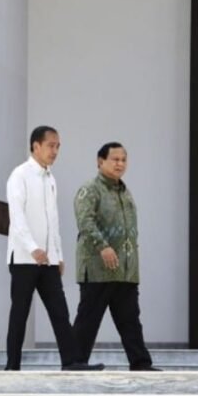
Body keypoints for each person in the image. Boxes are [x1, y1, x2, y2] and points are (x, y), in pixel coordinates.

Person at [5, 126, 104, 371]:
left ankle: (71, 361)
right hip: (24, 260)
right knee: (20, 313)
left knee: (60, 312)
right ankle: (12, 366)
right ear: (35, 146)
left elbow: (53, 221)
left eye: (58, 146)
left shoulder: (50, 178)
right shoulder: (20, 175)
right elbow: (17, 218)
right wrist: (33, 248)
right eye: (51, 145)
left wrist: (57, 255)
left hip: (48, 261)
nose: (55, 150)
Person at [72, 142, 159, 371]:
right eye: (115, 159)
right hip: (98, 268)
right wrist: (103, 246)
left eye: (123, 159)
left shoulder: (125, 192)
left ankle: (141, 363)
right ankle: (74, 362)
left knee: (130, 321)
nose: (120, 164)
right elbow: (85, 222)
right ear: (100, 161)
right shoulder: (90, 189)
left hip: (125, 271)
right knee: (88, 320)